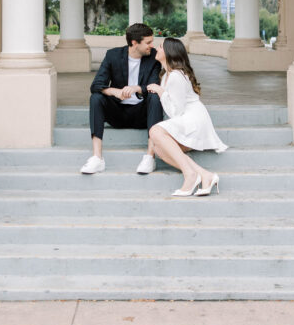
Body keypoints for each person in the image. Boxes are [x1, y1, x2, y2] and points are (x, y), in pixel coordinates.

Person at [148, 37, 227, 197]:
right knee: (158, 148)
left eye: (161, 46)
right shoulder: (166, 76)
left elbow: (176, 112)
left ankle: (190, 175)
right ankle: (205, 175)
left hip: (193, 120)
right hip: (185, 119)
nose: (157, 48)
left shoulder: (177, 76)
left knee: (155, 131)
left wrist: (160, 91)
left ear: (169, 52)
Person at [81, 22, 164, 175]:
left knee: (155, 96)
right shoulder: (113, 55)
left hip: (142, 114)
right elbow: (96, 85)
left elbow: (155, 84)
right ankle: (97, 158)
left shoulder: (153, 57)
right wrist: (115, 91)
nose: (152, 46)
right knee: (96, 98)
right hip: (117, 113)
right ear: (134, 42)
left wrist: (137, 88)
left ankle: (149, 157)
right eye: (148, 42)